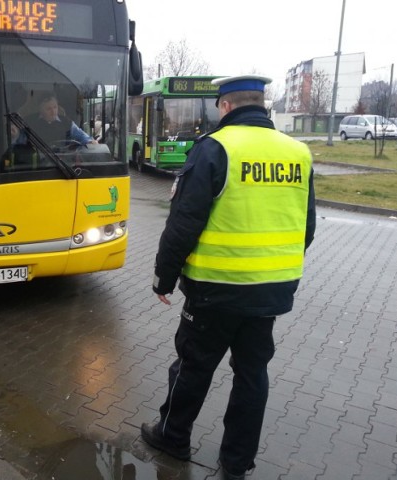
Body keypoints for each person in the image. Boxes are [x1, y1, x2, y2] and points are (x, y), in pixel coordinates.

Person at [140, 75, 316, 480]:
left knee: (193, 366)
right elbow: (306, 228)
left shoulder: (215, 149)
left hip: (214, 292)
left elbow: (184, 223)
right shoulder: (298, 152)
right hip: (269, 294)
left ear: (224, 106)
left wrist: (163, 279)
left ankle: (173, 437)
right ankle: (236, 464)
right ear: (261, 103)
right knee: (252, 375)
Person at [26, 93, 97, 147]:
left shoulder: (67, 122)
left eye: (55, 107)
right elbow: (20, 141)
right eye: (48, 109)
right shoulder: (30, 122)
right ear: (40, 110)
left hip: (62, 162)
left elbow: (81, 135)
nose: (53, 112)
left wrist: (89, 141)